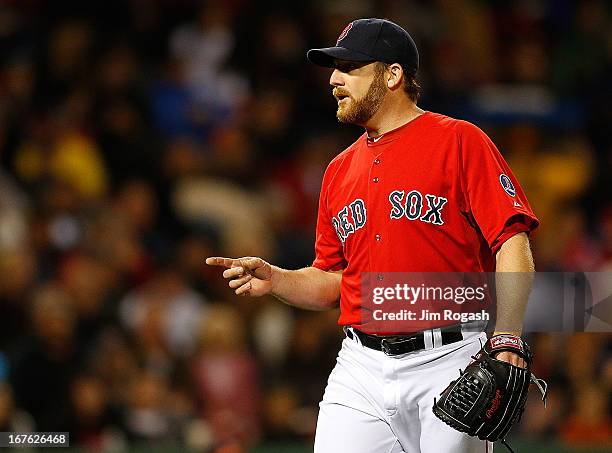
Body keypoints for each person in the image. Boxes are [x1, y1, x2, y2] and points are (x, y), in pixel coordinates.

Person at [207, 18, 538, 453]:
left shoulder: (460, 142)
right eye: (334, 68)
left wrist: (507, 337)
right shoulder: (339, 171)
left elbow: (513, 244)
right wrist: (278, 279)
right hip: (361, 366)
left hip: (450, 359)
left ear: (392, 74)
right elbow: (333, 282)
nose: (334, 79)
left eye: (349, 67)